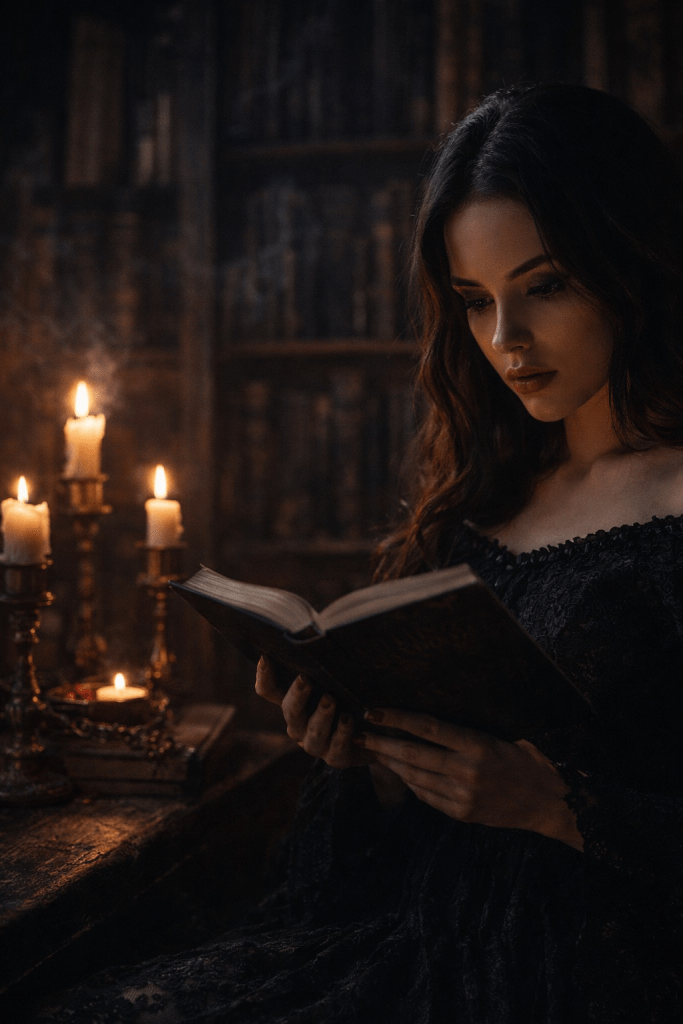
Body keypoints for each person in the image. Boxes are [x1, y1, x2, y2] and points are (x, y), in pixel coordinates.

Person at [37, 83, 683, 1024]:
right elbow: (388, 841)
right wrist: (362, 760)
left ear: (630, 263)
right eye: (473, 301)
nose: (506, 342)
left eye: (545, 285)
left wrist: (553, 805)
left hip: (577, 976)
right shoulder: (485, 488)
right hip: (411, 941)